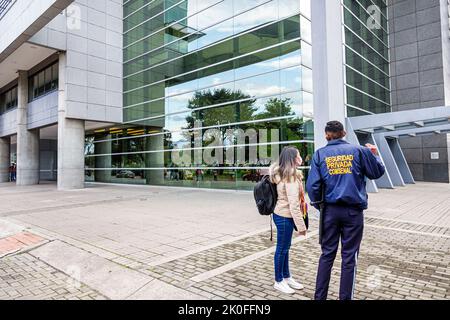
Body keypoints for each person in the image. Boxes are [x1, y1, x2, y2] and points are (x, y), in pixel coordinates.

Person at [306, 120, 385, 300]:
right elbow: (377, 172)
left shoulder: (320, 155)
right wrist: (375, 154)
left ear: (326, 135)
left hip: (330, 212)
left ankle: (320, 298)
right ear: (344, 133)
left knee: (327, 255)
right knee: (349, 258)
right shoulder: (360, 151)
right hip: (353, 212)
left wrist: (321, 206)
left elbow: (313, 186)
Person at [269, 146, 308, 294]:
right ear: (292, 158)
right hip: (285, 216)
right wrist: (301, 227)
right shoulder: (290, 176)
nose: (301, 158)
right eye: (298, 155)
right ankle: (278, 281)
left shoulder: (286, 174)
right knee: (282, 249)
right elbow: (294, 204)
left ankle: (287, 277)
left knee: (285, 248)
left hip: (282, 215)